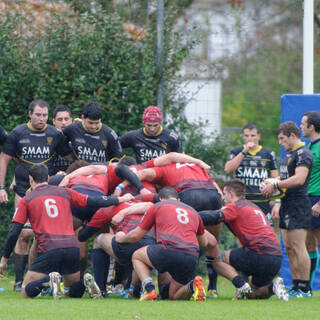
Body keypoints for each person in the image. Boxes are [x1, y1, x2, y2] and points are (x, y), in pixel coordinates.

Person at [0, 163, 134, 299]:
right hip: (71, 248)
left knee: (25, 293)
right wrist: (119, 199)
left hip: (48, 247)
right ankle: (84, 282)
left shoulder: (27, 199)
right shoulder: (65, 192)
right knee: (72, 292)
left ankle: (47, 282)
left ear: (30, 179)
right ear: (47, 177)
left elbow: (14, 232)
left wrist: (4, 259)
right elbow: (94, 200)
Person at [0, 99, 71, 292]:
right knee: (23, 235)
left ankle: (37, 278)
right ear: (29, 114)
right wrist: (1, 187)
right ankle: (18, 280)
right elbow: (5, 159)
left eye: (45, 115)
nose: (41, 119)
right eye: (38, 115)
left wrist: (65, 176)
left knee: (41, 237)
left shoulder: (54, 134)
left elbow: (70, 158)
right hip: (23, 190)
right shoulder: (17, 133)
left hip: (47, 192)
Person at [135, 154, 222, 297]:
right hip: (211, 195)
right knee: (211, 242)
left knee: (174, 236)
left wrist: (123, 186)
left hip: (188, 195)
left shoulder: (165, 167)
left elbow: (144, 173)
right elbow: (219, 192)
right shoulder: (197, 167)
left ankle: (155, 286)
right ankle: (212, 287)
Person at [200, 179, 288, 301]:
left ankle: (240, 284)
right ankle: (273, 287)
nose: (223, 199)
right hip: (276, 257)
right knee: (253, 294)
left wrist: (191, 215)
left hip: (259, 253)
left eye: (224, 194)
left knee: (217, 259)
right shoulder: (253, 206)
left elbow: (214, 216)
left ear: (231, 194)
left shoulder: (235, 206)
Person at [115, 187, 207, 301]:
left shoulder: (157, 206)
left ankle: (149, 290)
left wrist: (122, 238)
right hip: (191, 256)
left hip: (168, 249)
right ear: (178, 200)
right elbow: (204, 242)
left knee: (137, 256)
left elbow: (136, 236)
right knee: (173, 296)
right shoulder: (193, 212)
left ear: (160, 199)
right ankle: (193, 285)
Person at [261, 121, 313, 298]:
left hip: (298, 204)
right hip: (286, 203)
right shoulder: (288, 154)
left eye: (282, 139)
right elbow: (283, 183)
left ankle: (305, 288)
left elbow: (299, 179)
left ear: (292, 135)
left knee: (299, 246)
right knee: (289, 247)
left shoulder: (303, 154)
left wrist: (274, 183)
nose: (280, 143)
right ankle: (295, 285)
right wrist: (274, 196)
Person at [224, 123, 278, 226]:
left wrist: (277, 202)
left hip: (262, 203)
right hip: (242, 202)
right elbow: (228, 169)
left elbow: (276, 179)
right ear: (243, 136)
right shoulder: (236, 151)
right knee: (243, 235)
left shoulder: (268, 153)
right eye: (247, 135)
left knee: (266, 234)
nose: (250, 138)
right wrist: (244, 152)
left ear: (259, 136)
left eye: (253, 135)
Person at [300, 111, 320, 290]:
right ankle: (308, 288)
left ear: (311, 126)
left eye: (303, 123)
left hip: (317, 200)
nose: (301, 126)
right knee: (309, 244)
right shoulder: (309, 146)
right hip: (308, 199)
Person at [51, 105, 73, 173]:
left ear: (71, 120)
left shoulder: (77, 137)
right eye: (60, 119)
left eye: (66, 119)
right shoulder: (48, 136)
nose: (63, 122)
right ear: (54, 121)